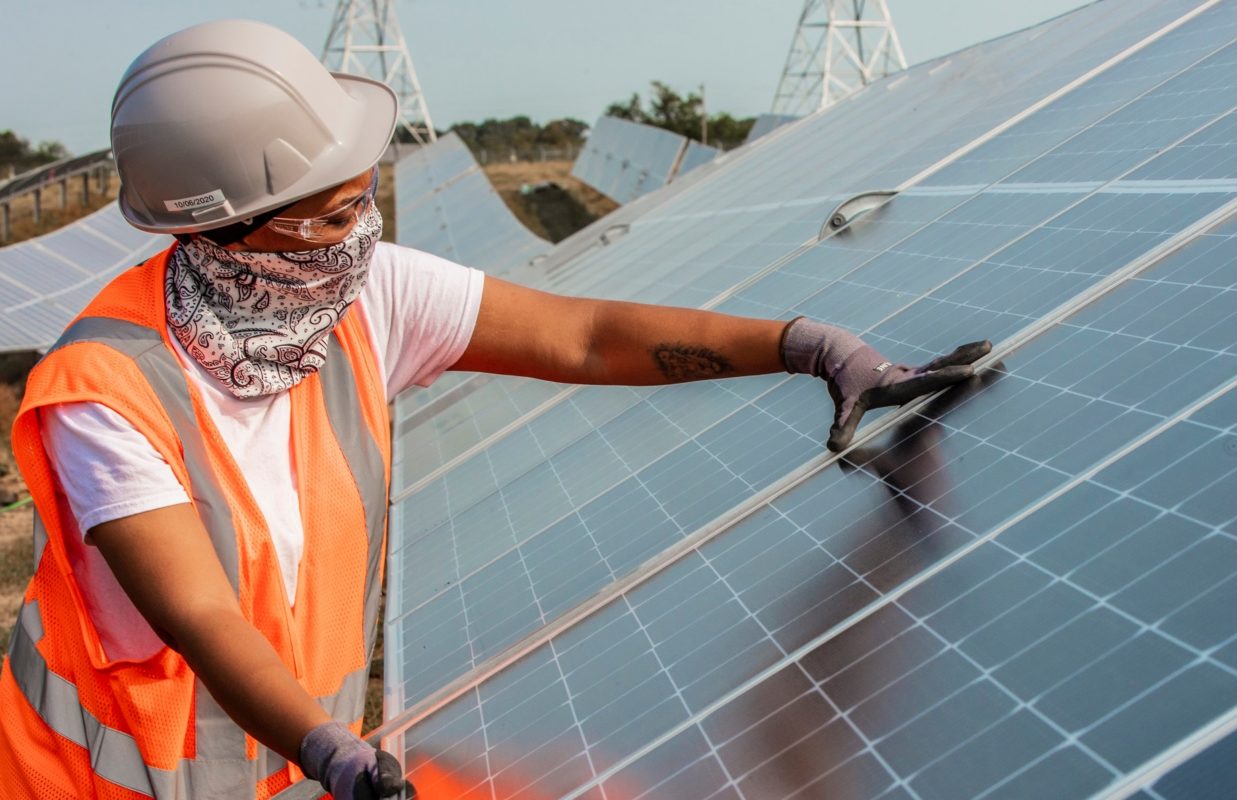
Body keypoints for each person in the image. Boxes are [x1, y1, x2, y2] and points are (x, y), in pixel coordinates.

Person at [0, 19, 987, 800]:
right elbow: (201, 611)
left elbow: (585, 333)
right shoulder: (107, 390)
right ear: (227, 229)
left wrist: (806, 345)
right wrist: (327, 747)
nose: (367, 229)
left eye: (367, 196)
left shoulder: (361, 295)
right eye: (338, 211)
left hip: (290, 763)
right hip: (99, 779)